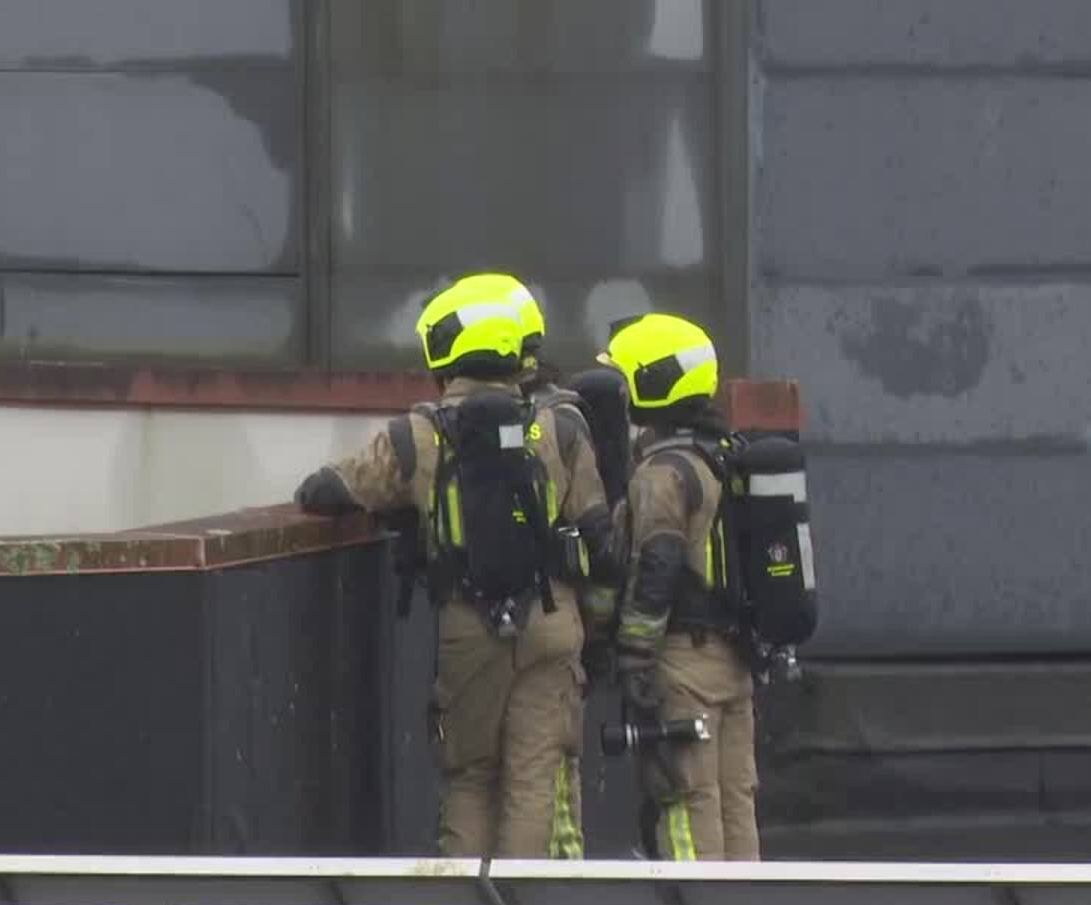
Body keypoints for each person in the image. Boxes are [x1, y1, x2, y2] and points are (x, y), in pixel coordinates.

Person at [294, 273, 611, 858]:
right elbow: (597, 531)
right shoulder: (562, 426)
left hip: (469, 627)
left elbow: (326, 489)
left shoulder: (419, 433)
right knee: (534, 778)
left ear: (445, 350)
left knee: (469, 776)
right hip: (550, 621)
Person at [601, 313, 758, 861]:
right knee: (736, 800)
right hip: (736, 658)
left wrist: (634, 655)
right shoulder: (728, 456)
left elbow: (658, 563)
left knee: (685, 799)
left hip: (681, 661)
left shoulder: (663, 473)